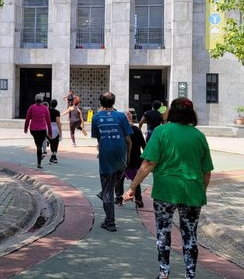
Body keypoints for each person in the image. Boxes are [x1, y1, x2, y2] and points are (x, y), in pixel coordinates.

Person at [124, 97, 214, 279]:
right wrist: (201, 191)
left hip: (165, 191)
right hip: (192, 191)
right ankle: (190, 274)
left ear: (171, 112)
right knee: (190, 234)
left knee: (163, 231)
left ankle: (164, 273)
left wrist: (133, 187)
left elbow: (149, 162)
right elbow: (207, 172)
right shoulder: (199, 136)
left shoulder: (161, 132)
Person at [91, 91, 132, 232]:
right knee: (114, 179)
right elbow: (128, 139)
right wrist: (128, 155)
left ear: (100, 103)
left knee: (108, 190)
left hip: (106, 155)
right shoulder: (121, 116)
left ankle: (110, 221)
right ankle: (105, 193)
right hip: (121, 155)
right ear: (113, 102)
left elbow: (98, 139)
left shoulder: (96, 118)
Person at [114, 110, 146, 207]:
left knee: (119, 178)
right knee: (136, 179)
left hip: (122, 159)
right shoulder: (136, 130)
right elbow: (144, 145)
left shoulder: (119, 130)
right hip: (135, 159)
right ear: (131, 118)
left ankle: (119, 198)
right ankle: (139, 198)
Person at [24, 93, 52, 169]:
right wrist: (50, 132)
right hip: (42, 130)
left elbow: (27, 119)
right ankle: (39, 164)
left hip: (33, 129)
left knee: (38, 145)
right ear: (42, 100)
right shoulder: (45, 108)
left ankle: (39, 160)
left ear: (35, 100)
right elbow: (48, 121)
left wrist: (25, 128)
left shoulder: (31, 107)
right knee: (40, 143)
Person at [48, 99, 62, 164]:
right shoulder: (57, 112)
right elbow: (58, 122)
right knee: (56, 143)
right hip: (55, 127)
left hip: (48, 127)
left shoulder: (47, 111)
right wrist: (60, 132)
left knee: (51, 143)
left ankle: (53, 156)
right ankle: (54, 156)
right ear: (56, 105)